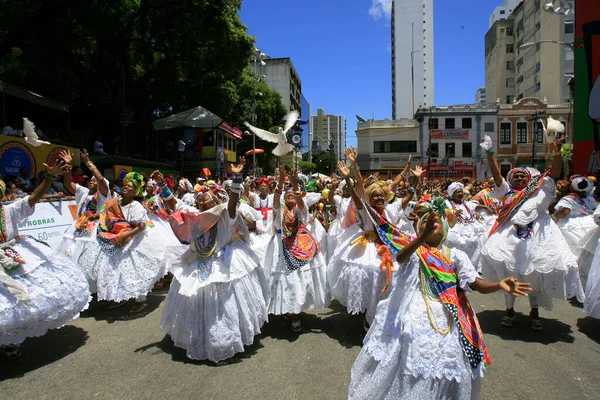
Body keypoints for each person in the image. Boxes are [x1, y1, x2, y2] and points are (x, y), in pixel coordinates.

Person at [348, 197, 532, 400]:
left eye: (434, 222)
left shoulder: (456, 256)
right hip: (412, 313)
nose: (430, 224)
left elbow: (475, 284)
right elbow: (400, 257)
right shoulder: (415, 250)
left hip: (446, 316)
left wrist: (498, 285)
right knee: (407, 362)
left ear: (444, 228)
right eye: (425, 222)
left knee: (441, 366)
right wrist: (421, 238)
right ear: (419, 229)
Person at [160, 158, 269, 362]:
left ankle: (223, 343)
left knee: (222, 309)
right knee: (198, 305)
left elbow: (234, 202)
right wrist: (163, 186)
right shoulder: (194, 217)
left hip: (222, 265)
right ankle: (198, 339)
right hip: (197, 262)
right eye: (199, 199)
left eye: (205, 199)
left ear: (216, 200)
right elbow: (174, 206)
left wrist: (236, 178)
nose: (201, 202)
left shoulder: (224, 216)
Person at [479, 136, 584, 331]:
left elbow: (553, 173)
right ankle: (509, 310)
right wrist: (490, 153)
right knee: (510, 271)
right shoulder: (507, 193)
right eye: (515, 176)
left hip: (538, 237)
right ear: (510, 180)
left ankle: (534, 310)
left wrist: (557, 152)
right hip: (510, 238)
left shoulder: (538, 191)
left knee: (535, 273)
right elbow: (496, 174)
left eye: (522, 176)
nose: (519, 178)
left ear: (529, 180)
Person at [0, 161, 91, 359]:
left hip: (12, 256)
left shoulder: (8, 211)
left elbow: (33, 198)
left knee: (18, 298)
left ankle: (12, 340)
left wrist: (49, 178)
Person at [76, 172, 170, 313]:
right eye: (125, 185)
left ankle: (140, 301)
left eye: (129, 186)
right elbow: (103, 212)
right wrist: (91, 217)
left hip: (133, 241)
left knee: (134, 271)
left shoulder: (136, 206)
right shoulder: (115, 202)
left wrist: (125, 235)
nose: (125, 188)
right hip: (116, 239)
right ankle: (120, 297)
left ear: (136, 191)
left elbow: (142, 226)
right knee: (114, 270)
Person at [262, 166, 329, 332]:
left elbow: (300, 202)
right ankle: (288, 308)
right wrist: (280, 182)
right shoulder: (279, 210)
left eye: (293, 194)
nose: (290, 195)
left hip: (302, 245)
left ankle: (296, 314)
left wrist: (294, 184)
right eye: (288, 194)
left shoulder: (301, 211)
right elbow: (276, 201)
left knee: (299, 281)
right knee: (285, 281)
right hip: (280, 247)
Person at [57, 149, 112, 263]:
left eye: (94, 180)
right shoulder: (84, 192)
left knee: (86, 258)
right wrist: (68, 166)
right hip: (79, 226)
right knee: (70, 255)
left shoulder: (104, 196)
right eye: (91, 180)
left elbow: (101, 179)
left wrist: (88, 162)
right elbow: (67, 184)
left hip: (95, 230)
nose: (92, 181)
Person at [553, 176, 598, 288]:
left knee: (570, 251)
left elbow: (564, 212)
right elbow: (595, 210)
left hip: (571, 225)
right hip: (590, 223)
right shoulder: (589, 198)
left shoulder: (568, 199)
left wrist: (553, 217)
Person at [444, 181, 490, 271]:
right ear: (452, 194)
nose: (461, 194)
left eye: (461, 192)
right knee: (453, 242)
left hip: (469, 227)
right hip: (454, 227)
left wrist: (485, 207)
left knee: (478, 239)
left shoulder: (465, 203)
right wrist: (453, 213)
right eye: (458, 192)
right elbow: (442, 212)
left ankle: (472, 268)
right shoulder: (446, 203)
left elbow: (476, 206)